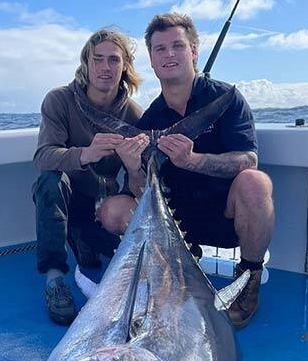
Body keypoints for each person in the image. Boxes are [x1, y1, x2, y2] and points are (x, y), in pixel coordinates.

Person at [98, 13, 275, 329]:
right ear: (151, 60)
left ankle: (248, 282)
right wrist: (132, 166)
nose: (168, 55)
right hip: (175, 229)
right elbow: (138, 193)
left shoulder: (226, 99)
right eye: (160, 49)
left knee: (255, 183)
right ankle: (171, 268)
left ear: (194, 51)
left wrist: (194, 160)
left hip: (225, 219)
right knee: (112, 211)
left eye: (177, 46)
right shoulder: (149, 120)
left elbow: (249, 160)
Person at [32, 28, 147, 325]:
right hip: (67, 202)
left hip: (104, 208)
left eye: (113, 60)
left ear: (125, 67)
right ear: (86, 63)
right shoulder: (59, 100)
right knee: (50, 181)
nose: (105, 68)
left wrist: (134, 166)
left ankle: (84, 241)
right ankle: (55, 279)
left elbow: (142, 180)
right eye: (98, 59)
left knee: (103, 255)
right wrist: (86, 153)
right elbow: (43, 157)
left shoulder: (134, 114)